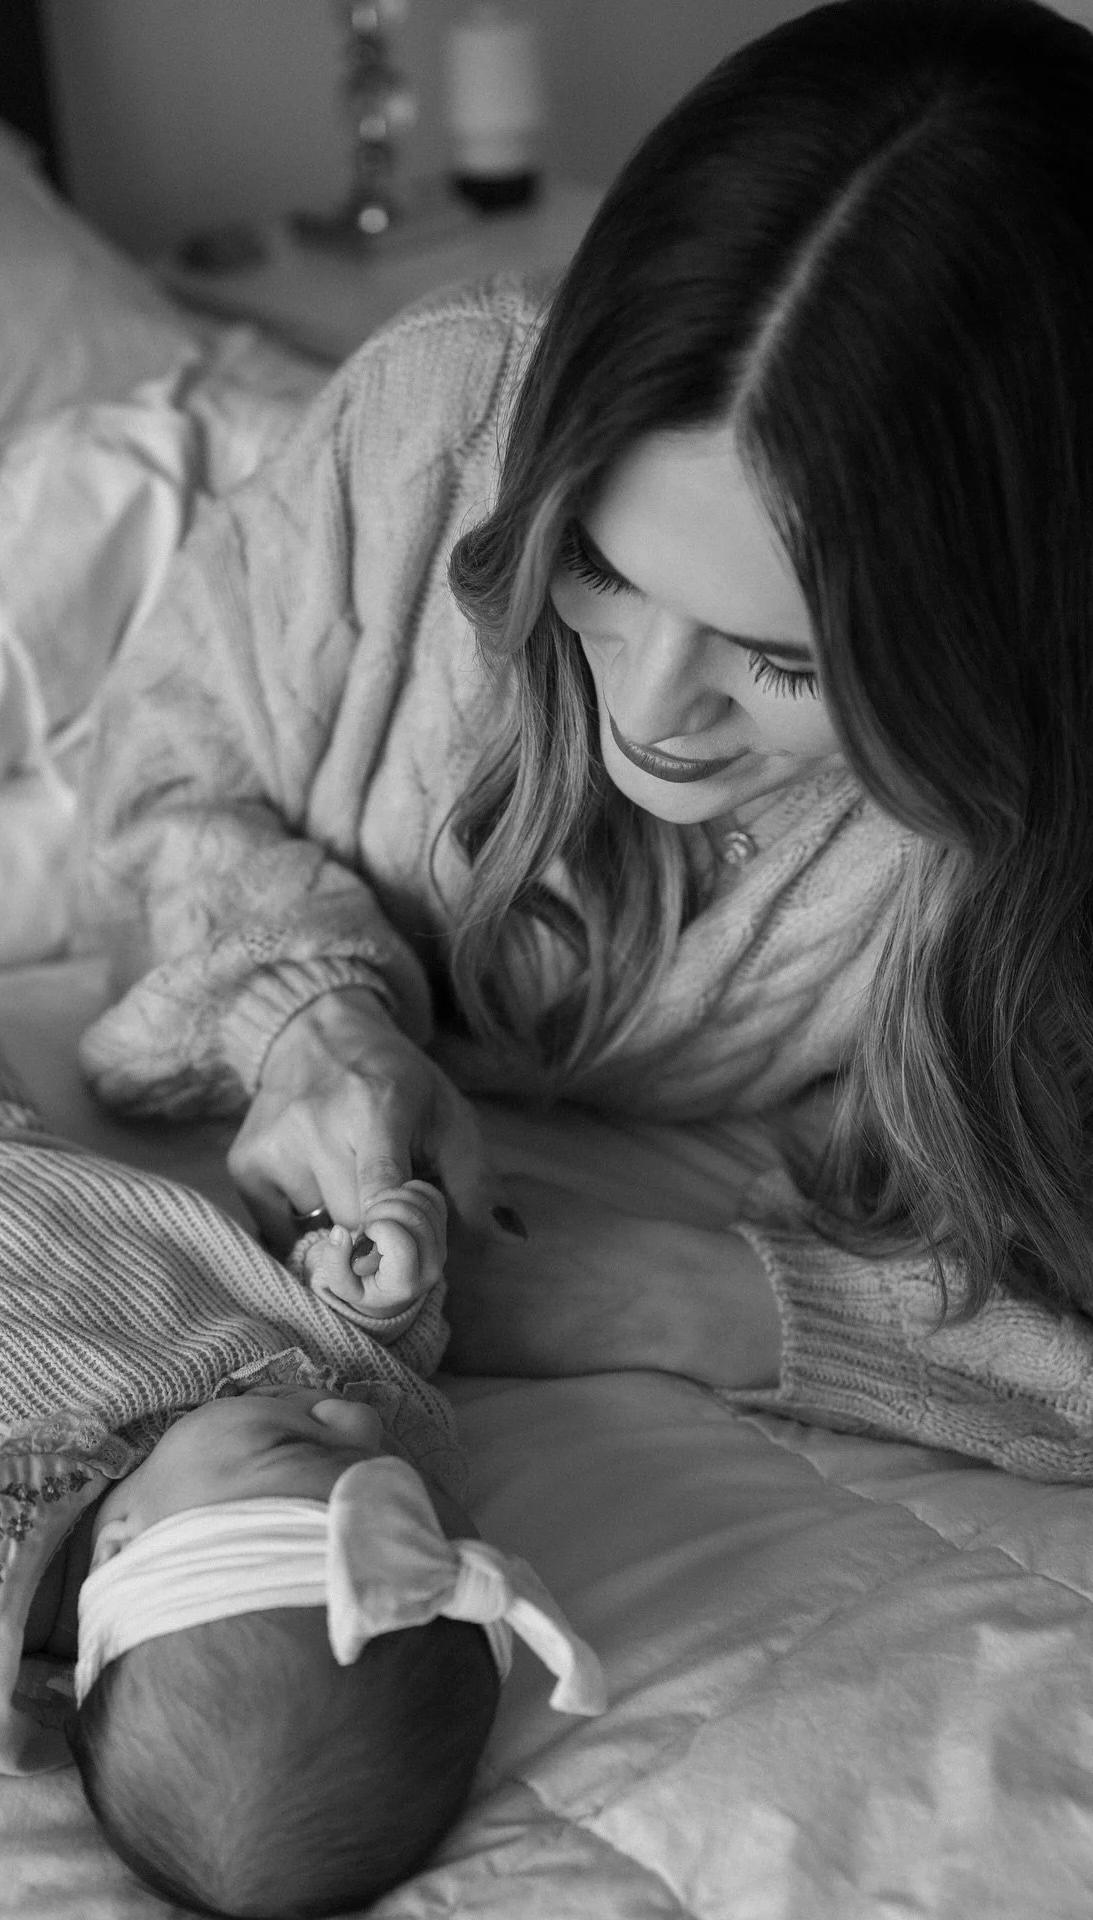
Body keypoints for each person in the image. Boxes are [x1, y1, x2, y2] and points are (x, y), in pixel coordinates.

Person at [76, 0, 1093, 1483]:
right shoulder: (445, 419)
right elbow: (154, 770)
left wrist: (683, 1299)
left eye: (785, 658)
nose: (654, 709)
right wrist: (308, 1023)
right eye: (600, 568)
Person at [0, 949, 604, 1920]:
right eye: (411, 1482)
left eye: (302, 1448)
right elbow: (366, 1365)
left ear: (125, 1546)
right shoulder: (295, 1425)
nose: (357, 1418)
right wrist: (380, 1296)